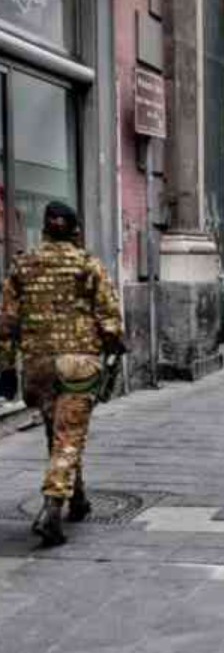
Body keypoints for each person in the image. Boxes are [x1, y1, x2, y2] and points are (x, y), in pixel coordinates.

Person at [0, 202, 125, 547]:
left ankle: (78, 499)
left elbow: (6, 322)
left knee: (60, 432)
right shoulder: (87, 264)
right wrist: (114, 345)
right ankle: (52, 508)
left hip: (38, 363)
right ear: (75, 231)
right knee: (70, 435)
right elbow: (110, 318)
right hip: (78, 363)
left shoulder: (22, 265)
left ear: (43, 230)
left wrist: (7, 364)